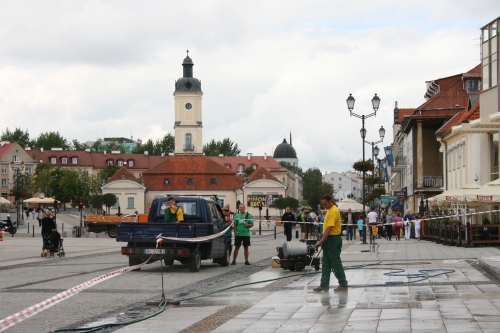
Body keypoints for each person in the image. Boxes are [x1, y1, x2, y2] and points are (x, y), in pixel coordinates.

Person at [314, 195, 348, 292]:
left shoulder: (333, 211)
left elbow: (329, 228)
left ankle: (343, 284)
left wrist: (320, 241)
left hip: (333, 240)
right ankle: (324, 284)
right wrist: (322, 236)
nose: (324, 206)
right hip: (328, 239)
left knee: (335, 263)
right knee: (326, 263)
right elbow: (326, 226)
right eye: (323, 205)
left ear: (330, 201)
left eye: (325, 204)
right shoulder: (329, 209)